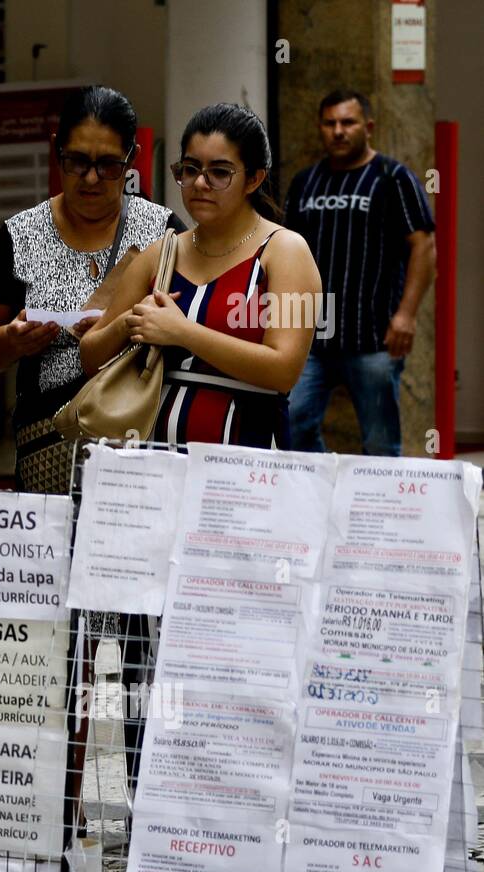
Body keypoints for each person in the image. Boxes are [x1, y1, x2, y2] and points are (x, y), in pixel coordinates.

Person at [80, 102, 321, 786]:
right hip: (151, 481)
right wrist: (133, 318)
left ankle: (228, 791)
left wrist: (184, 333)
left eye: (220, 171)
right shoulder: (161, 253)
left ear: (254, 178)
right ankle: (145, 785)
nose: (200, 186)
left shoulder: (287, 253)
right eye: (189, 170)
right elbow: (90, 351)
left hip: (242, 484)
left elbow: (283, 369)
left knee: (229, 639)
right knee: (140, 641)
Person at [0, 85, 183, 493]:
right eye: (77, 161)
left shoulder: (163, 234)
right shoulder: (19, 236)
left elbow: (189, 328)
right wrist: (10, 341)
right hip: (49, 444)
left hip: (141, 441)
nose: (92, 178)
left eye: (109, 165)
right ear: (55, 150)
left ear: (131, 157)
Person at [285, 89, 436, 456]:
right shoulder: (306, 183)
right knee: (292, 425)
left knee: (380, 442)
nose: (338, 131)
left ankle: (380, 513)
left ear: (367, 127)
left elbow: (424, 246)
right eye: (329, 123)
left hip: (374, 339)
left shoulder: (392, 177)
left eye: (347, 122)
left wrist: (406, 315)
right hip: (312, 338)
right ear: (320, 128)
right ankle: (317, 502)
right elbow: (286, 252)